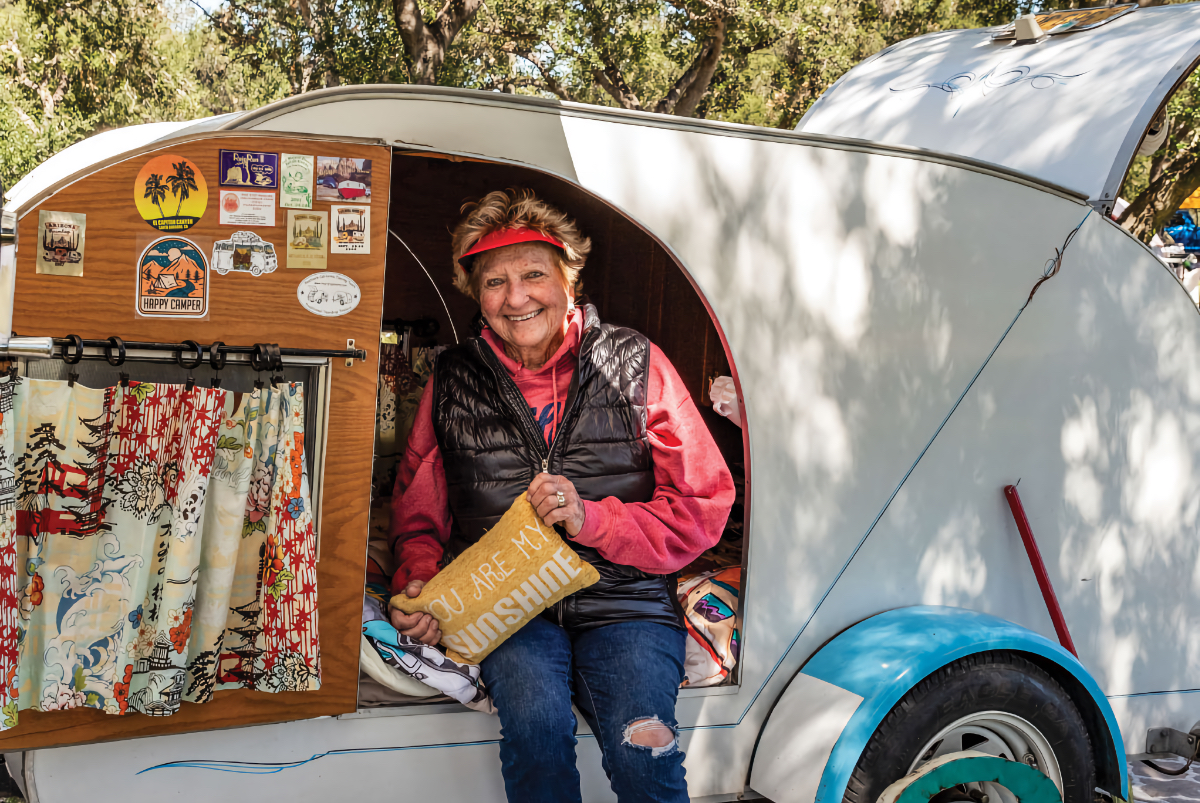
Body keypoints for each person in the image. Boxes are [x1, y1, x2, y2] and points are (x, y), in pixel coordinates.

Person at [387, 188, 735, 803]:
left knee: (644, 751)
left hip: (625, 602)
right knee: (537, 740)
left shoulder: (637, 363)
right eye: (494, 281)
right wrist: (417, 583)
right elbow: (419, 514)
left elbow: (704, 504)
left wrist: (592, 519)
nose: (516, 298)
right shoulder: (452, 380)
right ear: (475, 293)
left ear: (568, 277)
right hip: (508, 608)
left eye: (533, 275)